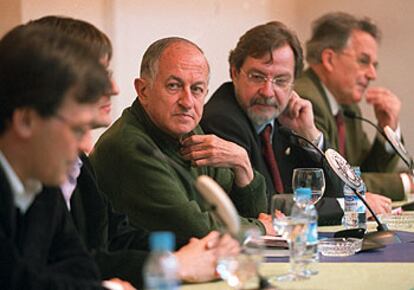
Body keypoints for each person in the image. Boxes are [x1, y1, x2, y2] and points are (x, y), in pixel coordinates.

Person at [32, 16, 239, 288]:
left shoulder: (76, 159)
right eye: (97, 76)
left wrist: (193, 250)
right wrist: (175, 265)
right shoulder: (124, 144)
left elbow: (116, 235)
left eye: (197, 89)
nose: (114, 88)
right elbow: (59, 265)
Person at [90, 37, 275, 245]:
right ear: (143, 91)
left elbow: (251, 213)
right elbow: (194, 229)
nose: (187, 102)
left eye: (196, 89)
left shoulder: (187, 129)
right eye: (174, 86)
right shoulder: (128, 146)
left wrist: (242, 163)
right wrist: (259, 228)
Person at [0, 24, 111, 289]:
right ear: (26, 120)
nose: (83, 146)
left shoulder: (42, 180)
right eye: (76, 129)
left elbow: (80, 267)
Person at [200, 21, 344, 224]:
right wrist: (344, 206)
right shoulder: (222, 120)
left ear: (294, 82)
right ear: (234, 73)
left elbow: (338, 189)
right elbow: (266, 206)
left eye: (281, 80)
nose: (268, 92)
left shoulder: (285, 119)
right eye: (257, 77)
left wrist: (309, 133)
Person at [294, 12, 400, 212]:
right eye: (363, 61)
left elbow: (361, 173)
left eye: (374, 65)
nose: (372, 74)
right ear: (329, 59)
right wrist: (403, 183)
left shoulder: (347, 106)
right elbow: (340, 180)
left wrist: (387, 131)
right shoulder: (305, 100)